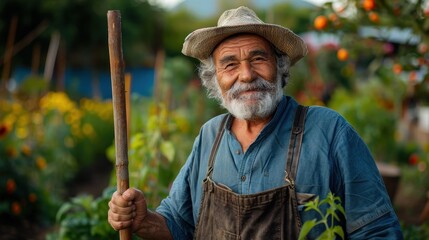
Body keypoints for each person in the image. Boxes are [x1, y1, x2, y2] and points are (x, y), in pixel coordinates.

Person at [108, 6, 403, 239]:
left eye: (258, 58)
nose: (246, 74)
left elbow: (376, 231)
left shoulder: (329, 131)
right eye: (230, 64)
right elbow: (179, 224)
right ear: (215, 79)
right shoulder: (210, 137)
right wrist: (143, 221)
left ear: (280, 66)